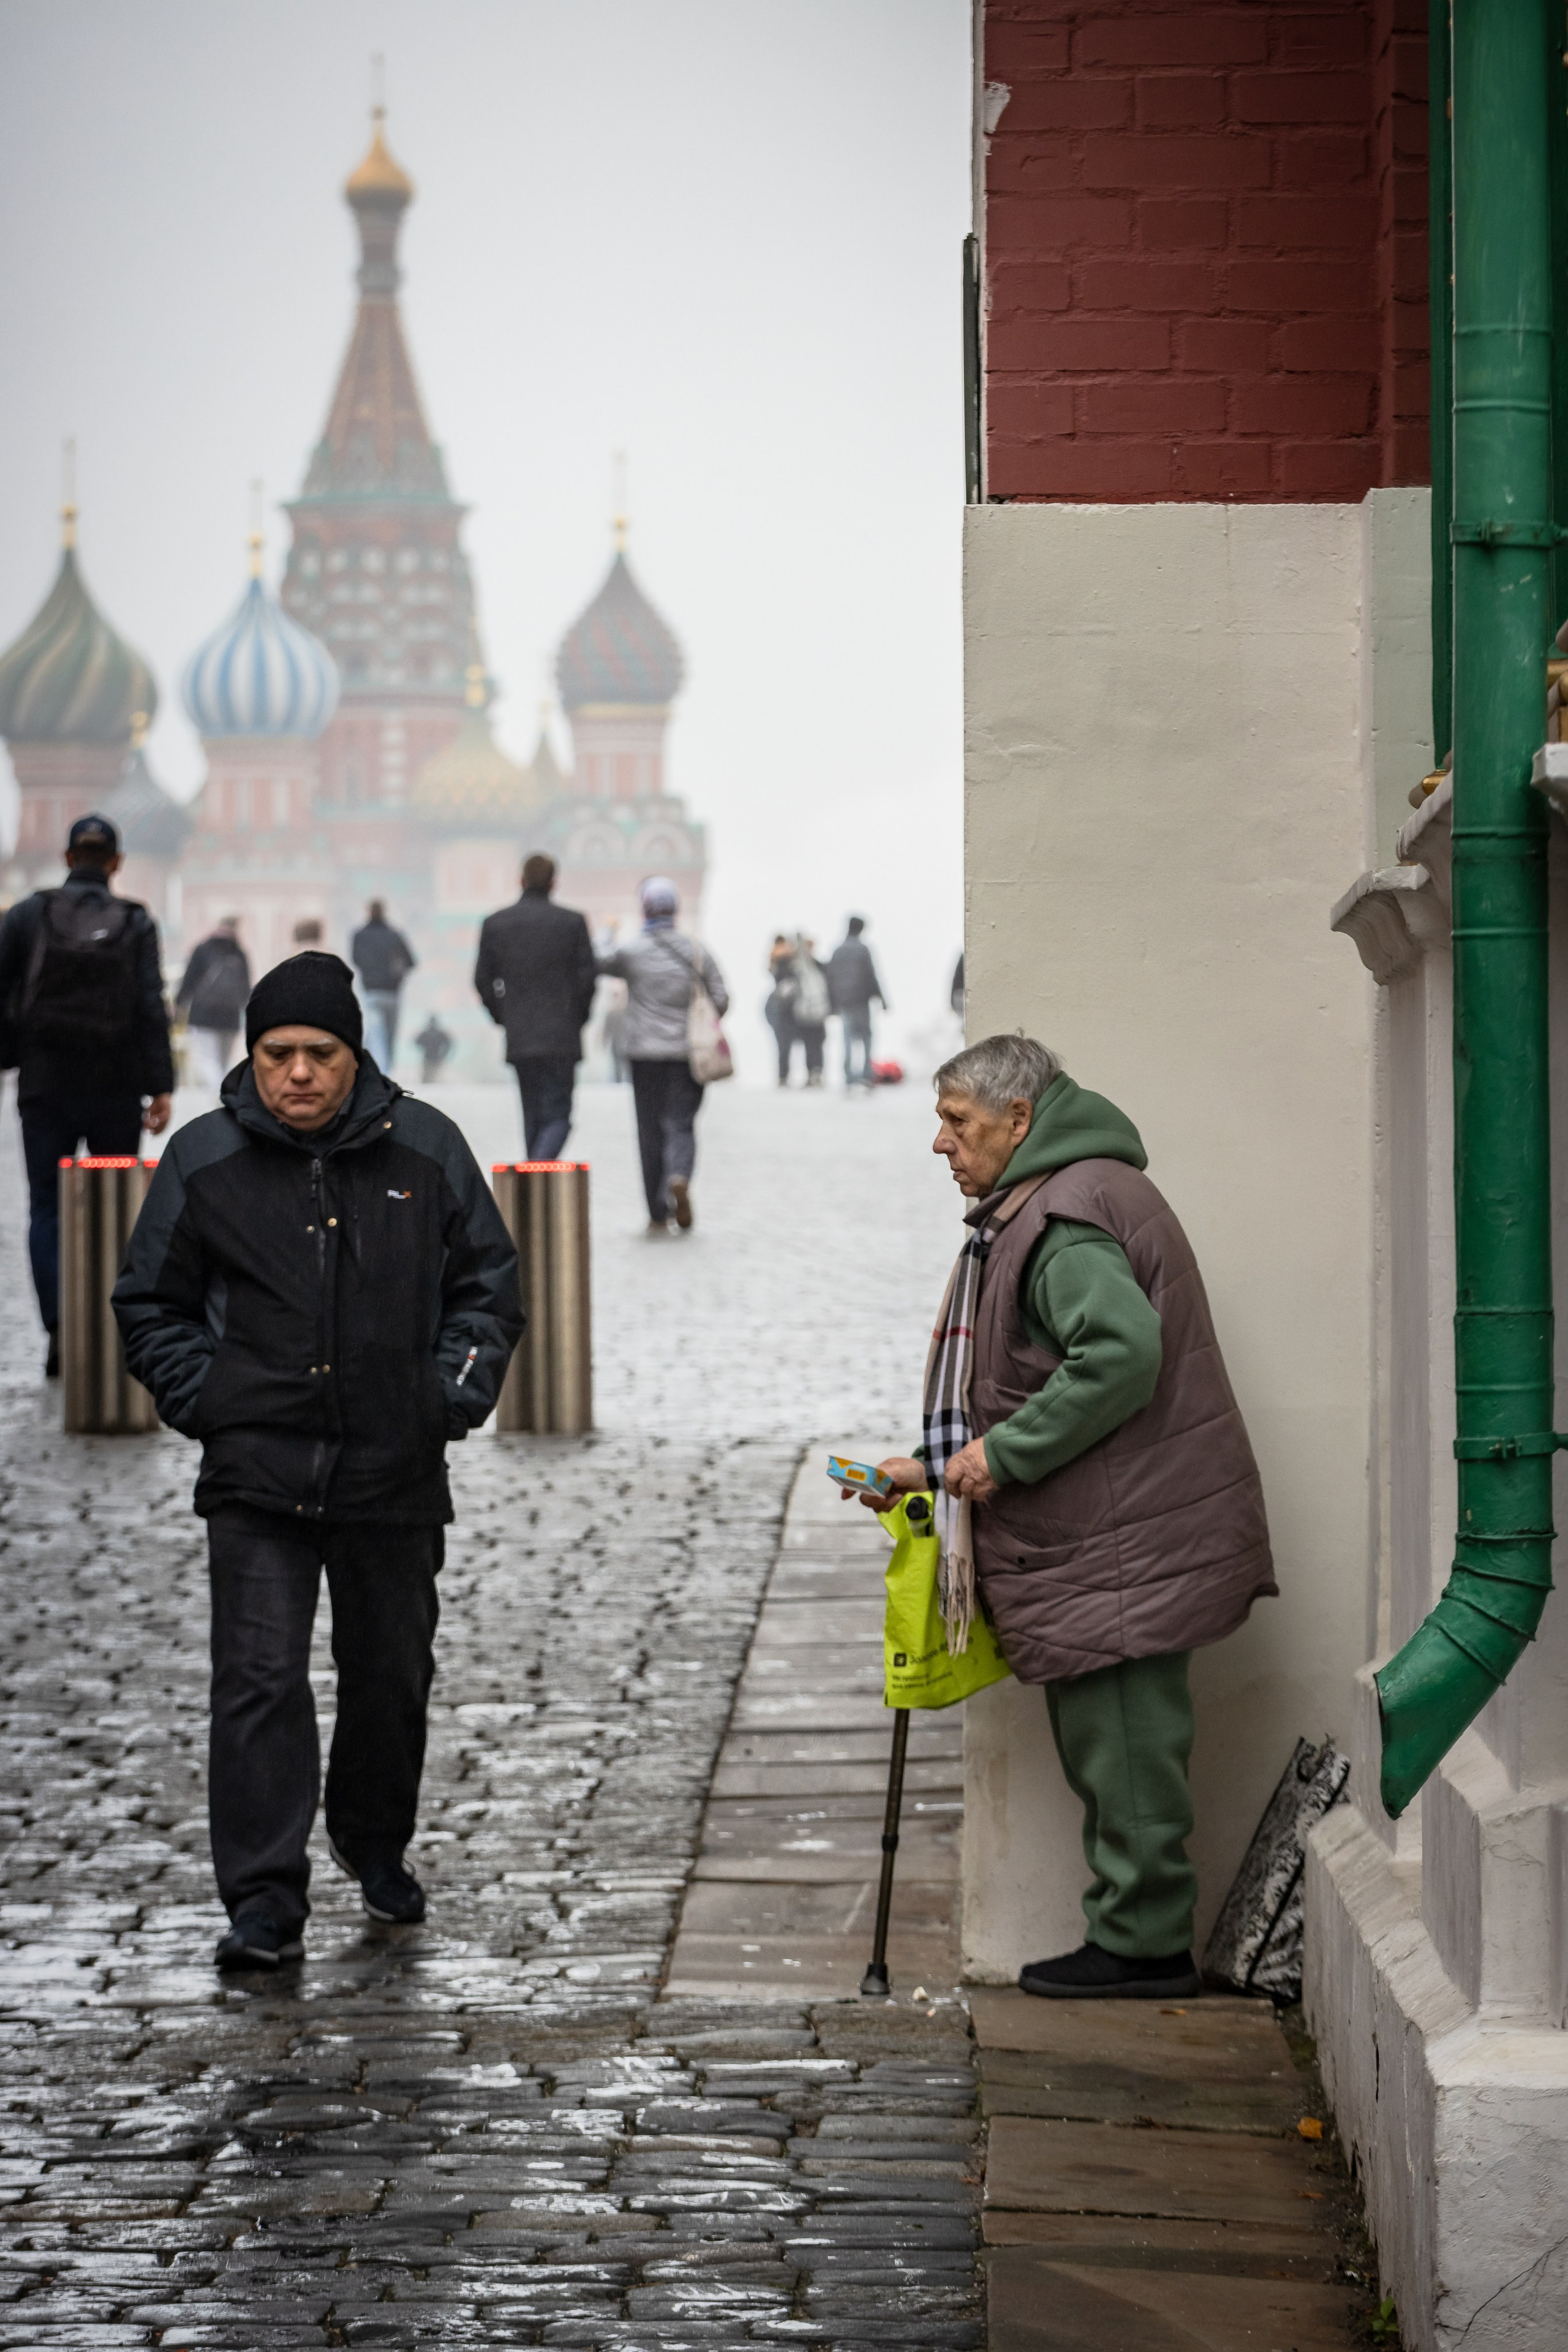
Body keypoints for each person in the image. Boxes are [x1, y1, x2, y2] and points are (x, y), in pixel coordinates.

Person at [111, 952, 522, 1972]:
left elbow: (487, 1288)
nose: (295, 1073)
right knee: (257, 1684)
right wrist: (209, 1398)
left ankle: (373, 1842)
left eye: (318, 1054)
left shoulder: (426, 1149)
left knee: (389, 1676)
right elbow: (150, 1304)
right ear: (250, 1056)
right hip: (258, 1472)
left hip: (393, 1467)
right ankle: (261, 1898)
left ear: (355, 1055)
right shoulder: (203, 1159)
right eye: (275, 1054)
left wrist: (444, 1396)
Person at [854, 1033, 1273, 2001]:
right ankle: (1136, 1932)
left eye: (955, 1124)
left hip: (1120, 1541)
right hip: (1112, 1530)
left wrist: (1000, 1455)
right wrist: (928, 1469)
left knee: (1124, 1745)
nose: (940, 1146)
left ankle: (1144, 1944)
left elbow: (1119, 1356)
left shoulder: (1060, 1220)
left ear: (1019, 1120)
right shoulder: (1053, 1202)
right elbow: (1033, 1380)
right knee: (1115, 1746)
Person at [0, 812, 175, 1378]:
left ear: (68, 858)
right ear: (116, 864)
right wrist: (161, 1086)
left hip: (44, 1089)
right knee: (116, 1209)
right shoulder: (135, 922)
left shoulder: (28, 914)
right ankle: (111, 1331)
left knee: (47, 1207)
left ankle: (59, 1331)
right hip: (114, 1093)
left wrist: (12, 1055)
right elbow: (152, 1006)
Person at [598, 876, 727, 1234]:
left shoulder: (632, 952)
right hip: (687, 1055)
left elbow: (597, 961)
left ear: (645, 910)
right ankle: (679, 1176)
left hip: (643, 1055)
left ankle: (657, 1210)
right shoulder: (696, 951)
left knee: (649, 1130)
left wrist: (608, 932)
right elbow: (721, 998)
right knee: (681, 1124)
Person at [473, 854, 597, 1161]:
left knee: (531, 1112)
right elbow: (587, 980)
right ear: (554, 883)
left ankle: (532, 1186)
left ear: (521, 880)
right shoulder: (573, 922)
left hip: (521, 1034)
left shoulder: (496, 923)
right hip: (562, 1036)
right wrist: (577, 1018)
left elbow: (482, 979)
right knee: (559, 1114)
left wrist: (503, 1016)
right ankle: (537, 1169)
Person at [176, 916, 251, 1091]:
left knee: (206, 1059)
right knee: (222, 1063)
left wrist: (179, 1003)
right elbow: (246, 987)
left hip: (203, 1014)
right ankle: (226, 1094)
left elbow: (189, 979)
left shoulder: (203, 949)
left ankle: (223, 1094)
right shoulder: (239, 952)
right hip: (231, 1017)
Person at [351, 900, 417, 1072]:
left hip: (371, 991)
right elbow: (411, 962)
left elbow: (356, 960)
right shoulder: (395, 935)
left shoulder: (360, 935)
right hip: (393, 992)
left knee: (375, 1033)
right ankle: (386, 1071)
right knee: (389, 1035)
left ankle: (380, 1070)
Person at [826, 916, 888, 1091]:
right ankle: (866, 1074)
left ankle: (849, 1076)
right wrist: (882, 999)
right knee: (867, 1037)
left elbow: (830, 978)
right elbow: (872, 975)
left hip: (844, 1002)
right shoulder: (863, 949)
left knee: (847, 1038)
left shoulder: (837, 950)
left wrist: (832, 1004)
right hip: (861, 1001)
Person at [763, 935, 796, 1088]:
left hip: (778, 1010)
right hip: (785, 1011)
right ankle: (783, 1075)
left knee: (782, 1045)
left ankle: (783, 1075)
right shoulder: (786, 964)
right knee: (784, 1045)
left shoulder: (775, 964)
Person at [414, 1014, 454, 1086]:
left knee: (435, 1078)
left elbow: (449, 1044)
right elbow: (417, 1042)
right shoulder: (429, 1033)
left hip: (435, 1058)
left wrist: (443, 1054)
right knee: (429, 1079)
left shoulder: (437, 1033)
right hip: (430, 1058)